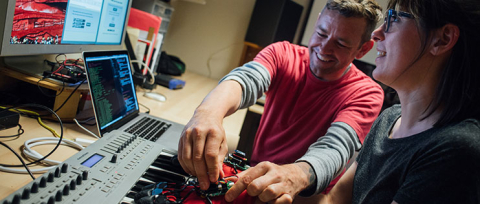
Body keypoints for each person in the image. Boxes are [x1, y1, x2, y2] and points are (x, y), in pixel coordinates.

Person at [178, 0, 384, 202]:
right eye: (321, 33)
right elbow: (245, 80)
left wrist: (297, 175)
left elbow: (336, 148)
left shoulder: (366, 93)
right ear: (317, 21)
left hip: (305, 196)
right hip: (254, 180)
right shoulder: (282, 53)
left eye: (341, 43)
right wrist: (207, 114)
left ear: (363, 49)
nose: (324, 48)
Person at [316, 0, 480, 203]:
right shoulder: (389, 119)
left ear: (442, 39)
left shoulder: (455, 149)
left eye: (394, 19)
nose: (376, 33)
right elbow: (334, 200)